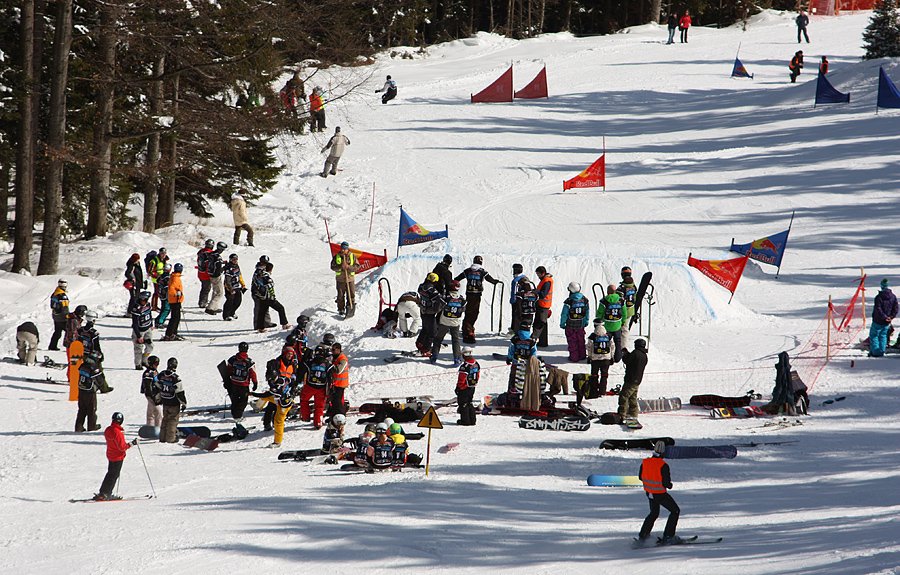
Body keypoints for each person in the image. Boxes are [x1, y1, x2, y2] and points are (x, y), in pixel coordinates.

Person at [636, 440, 681, 545]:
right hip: (660, 494)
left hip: (649, 493)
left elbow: (640, 477)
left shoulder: (645, 462)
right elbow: (666, 483)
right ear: (664, 452)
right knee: (675, 511)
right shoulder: (663, 465)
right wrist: (670, 485)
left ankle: (643, 536)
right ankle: (669, 536)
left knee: (653, 513)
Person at [455, 255, 500, 344]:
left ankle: (467, 328)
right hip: (477, 294)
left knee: (469, 311)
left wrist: (453, 284)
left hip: (469, 293)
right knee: (474, 312)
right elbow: (489, 279)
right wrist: (495, 281)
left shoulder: (468, 270)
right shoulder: (482, 271)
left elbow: (458, 278)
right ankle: (468, 331)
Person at [94, 412, 138, 501]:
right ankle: (106, 493)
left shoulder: (108, 429)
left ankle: (103, 491)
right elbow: (122, 447)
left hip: (110, 454)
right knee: (114, 475)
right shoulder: (118, 432)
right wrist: (132, 444)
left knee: (110, 474)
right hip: (117, 456)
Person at [262, 346, 302, 432]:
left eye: (291, 354)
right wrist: (273, 385)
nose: (290, 356)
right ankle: (266, 423)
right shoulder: (277, 362)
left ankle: (275, 422)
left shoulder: (293, 364)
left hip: (286, 388)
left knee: (280, 406)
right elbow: (271, 375)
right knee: (271, 405)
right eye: (288, 354)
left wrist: (293, 386)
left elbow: (294, 376)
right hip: (277, 387)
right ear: (284, 353)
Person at [431, 280, 466, 365]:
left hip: (445, 321)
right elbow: (464, 309)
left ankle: (434, 356)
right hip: (456, 322)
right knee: (455, 340)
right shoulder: (462, 298)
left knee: (438, 339)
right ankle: (457, 358)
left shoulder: (446, 297)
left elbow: (440, 306)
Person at [300, 345, 334, 429]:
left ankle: (305, 417)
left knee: (304, 400)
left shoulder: (310, 362)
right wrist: (329, 389)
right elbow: (330, 377)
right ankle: (318, 422)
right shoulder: (328, 364)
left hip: (309, 386)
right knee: (319, 406)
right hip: (321, 388)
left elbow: (302, 368)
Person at [252, 261, 290, 332]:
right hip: (268, 297)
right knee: (280, 308)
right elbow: (269, 287)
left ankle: (261, 327)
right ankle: (285, 324)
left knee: (262, 312)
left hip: (262, 297)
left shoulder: (259, 274)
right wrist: (272, 296)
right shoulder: (266, 277)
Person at [225, 342, 258, 421]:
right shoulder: (249, 362)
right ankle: (238, 416)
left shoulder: (232, 359)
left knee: (235, 399)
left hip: (233, 383)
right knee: (243, 401)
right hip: (244, 385)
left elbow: (228, 370)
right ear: (247, 350)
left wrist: (227, 381)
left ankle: (234, 414)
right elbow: (252, 373)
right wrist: (255, 383)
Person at [262, 375, 297, 448]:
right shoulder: (285, 380)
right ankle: (258, 406)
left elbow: (267, 394)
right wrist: (293, 392)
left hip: (282, 406)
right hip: (286, 401)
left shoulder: (277, 389)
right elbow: (293, 382)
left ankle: (277, 442)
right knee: (265, 399)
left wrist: (252, 394)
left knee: (278, 422)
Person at [619, 339, 648, 422]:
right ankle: (633, 413)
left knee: (624, 396)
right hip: (638, 379)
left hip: (631, 379)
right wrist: (627, 353)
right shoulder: (644, 355)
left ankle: (622, 414)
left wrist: (625, 354)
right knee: (632, 397)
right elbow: (633, 361)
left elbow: (627, 361)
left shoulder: (635, 353)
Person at [157, 357, 186, 443]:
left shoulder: (161, 375)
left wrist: (158, 397)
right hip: (174, 403)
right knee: (173, 420)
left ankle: (162, 437)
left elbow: (157, 385)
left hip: (165, 400)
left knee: (165, 419)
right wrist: (184, 403)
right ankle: (170, 438)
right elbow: (180, 392)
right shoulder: (175, 378)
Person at [415, 272, 444, 356]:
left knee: (425, 328)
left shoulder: (421, 286)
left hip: (423, 310)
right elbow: (440, 299)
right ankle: (426, 349)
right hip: (429, 312)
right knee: (433, 332)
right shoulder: (432, 290)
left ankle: (419, 343)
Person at [560, 282, 589, 362]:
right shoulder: (584, 300)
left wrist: (562, 324)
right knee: (581, 340)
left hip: (570, 325)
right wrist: (586, 321)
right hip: (581, 324)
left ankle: (574, 357)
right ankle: (582, 355)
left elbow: (564, 314)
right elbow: (587, 312)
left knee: (572, 341)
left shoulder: (569, 301)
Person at [596, 284, 626, 363]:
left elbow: (600, 313)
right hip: (617, 325)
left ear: (608, 291)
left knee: (606, 342)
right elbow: (624, 312)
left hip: (607, 326)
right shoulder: (621, 300)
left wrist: (599, 321)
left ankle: (607, 358)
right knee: (618, 342)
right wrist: (623, 322)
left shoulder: (604, 301)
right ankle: (618, 357)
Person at [75, 350, 103, 432]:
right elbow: (100, 380)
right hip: (90, 391)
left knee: (82, 409)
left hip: (81, 389)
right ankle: (92, 426)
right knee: (91, 409)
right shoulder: (93, 367)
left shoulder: (83, 365)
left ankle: (78, 427)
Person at [587, 319, 615, 398]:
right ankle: (602, 391)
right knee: (604, 375)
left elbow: (589, 347)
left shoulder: (592, 336)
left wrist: (589, 357)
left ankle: (594, 390)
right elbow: (612, 346)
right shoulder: (608, 335)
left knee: (594, 375)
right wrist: (611, 357)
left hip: (595, 359)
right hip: (606, 359)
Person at [330, 241, 360, 317]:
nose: (343, 250)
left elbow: (357, 267)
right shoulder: (337, 256)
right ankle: (341, 309)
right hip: (340, 280)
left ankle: (350, 308)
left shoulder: (352, 256)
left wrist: (348, 267)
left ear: (347, 249)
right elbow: (332, 267)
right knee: (340, 295)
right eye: (342, 248)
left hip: (350, 279)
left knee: (351, 294)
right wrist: (340, 266)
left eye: (344, 249)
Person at [869, 278, 898, 357]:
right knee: (883, 335)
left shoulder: (879, 297)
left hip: (878, 320)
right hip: (886, 322)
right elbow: (895, 309)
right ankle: (881, 350)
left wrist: (885, 317)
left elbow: (878, 309)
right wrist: (890, 317)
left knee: (874, 335)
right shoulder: (893, 297)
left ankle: (875, 352)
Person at [129, 290, 154, 369]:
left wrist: (151, 324)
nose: (144, 302)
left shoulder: (148, 305)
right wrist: (139, 336)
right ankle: (138, 364)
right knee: (138, 348)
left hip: (147, 329)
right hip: (139, 331)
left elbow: (149, 315)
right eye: (143, 300)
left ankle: (144, 359)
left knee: (150, 346)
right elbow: (135, 324)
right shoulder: (137, 308)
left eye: (146, 300)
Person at [456, 347, 480, 425]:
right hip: (472, 386)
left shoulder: (465, 366)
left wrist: (459, 387)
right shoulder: (476, 364)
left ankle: (465, 421)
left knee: (463, 403)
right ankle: (472, 420)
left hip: (464, 387)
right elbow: (478, 375)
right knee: (469, 402)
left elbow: (461, 379)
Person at [617, 267, 638, 349]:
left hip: (622, 311)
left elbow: (618, 301)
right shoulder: (633, 286)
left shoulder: (621, 288)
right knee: (625, 328)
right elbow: (635, 299)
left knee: (623, 329)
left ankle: (623, 347)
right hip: (630, 310)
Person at [251, 256, 275, 329]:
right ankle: (257, 325)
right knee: (258, 308)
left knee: (265, 307)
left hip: (264, 292)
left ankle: (266, 322)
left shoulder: (264, 269)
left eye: (265, 263)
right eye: (263, 262)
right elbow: (260, 281)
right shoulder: (259, 270)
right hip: (257, 292)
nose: (264, 264)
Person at [163, 263, 185, 341]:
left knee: (176, 318)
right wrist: (176, 294)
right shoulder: (175, 278)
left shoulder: (175, 276)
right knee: (175, 318)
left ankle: (173, 333)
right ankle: (170, 334)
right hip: (175, 300)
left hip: (174, 300)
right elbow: (172, 289)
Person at [205, 241, 227, 315]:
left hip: (211, 274)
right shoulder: (217, 256)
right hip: (216, 276)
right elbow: (218, 268)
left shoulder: (212, 254)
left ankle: (214, 307)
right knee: (219, 293)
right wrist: (224, 268)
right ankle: (210, 308)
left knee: (215, 291)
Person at [329, 343, 350, 418]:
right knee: (334, 401)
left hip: (340, 384)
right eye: (332, 349)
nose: (332, 351)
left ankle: (340, 415)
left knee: (338, 402)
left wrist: (330, 365)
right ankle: (333, 415)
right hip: (335, 383)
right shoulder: (335, 357)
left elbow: (338, 370)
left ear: (338, 350)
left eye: (334, 350)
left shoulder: (343, 359)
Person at [140, 355, 162, 427]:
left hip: (155, 394)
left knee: (151, 412)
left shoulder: (154, 371)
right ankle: (158, 428)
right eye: (156, 364)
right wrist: (153, 397)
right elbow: (147, 386)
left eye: (158, 364)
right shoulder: (148, 373)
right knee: (158, 412)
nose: (157, 366)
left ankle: (150, 427)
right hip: (151, 395)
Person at [222, 253, 245, 321]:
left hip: (236, 286)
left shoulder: (236, 266)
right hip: (229, 287)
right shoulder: (229, 268)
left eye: (236, 259)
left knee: (238, 301)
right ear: (230, 260)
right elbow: (227, 281)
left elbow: (239, 275)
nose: (235, 261)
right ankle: (226, 315)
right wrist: (230, 289)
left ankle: (232, 312)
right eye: (233, 259)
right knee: (230, 301)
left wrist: (243, 284)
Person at [48, 279, 70, 351]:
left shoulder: (55, 293)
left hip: (56, 316)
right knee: (69, 331)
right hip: (63, 317)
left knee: (57, 332)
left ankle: (52, 346)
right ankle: (69, 346)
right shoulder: (62, 295)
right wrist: (68, 316)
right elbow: (65, 307)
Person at [196, 239, 215, 308]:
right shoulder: (210, 253)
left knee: (204, 287)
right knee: (206, 288)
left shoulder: (201, 252)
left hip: (200, 273)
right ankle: (203, 302)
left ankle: (203, 301)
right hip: (207, 274)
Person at [508, 263, 526, 335]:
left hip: (517, 301)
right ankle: (518, 329)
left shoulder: (516, 280)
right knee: (520, 315)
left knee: (515, 315)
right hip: (524, 300)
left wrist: (512, 301)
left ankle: (515, 331)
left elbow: (514, 292)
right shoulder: (524, 277)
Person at [155, 263, 172, 329]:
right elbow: (167, 287)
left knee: (163, 308)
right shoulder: (167, 277)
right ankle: (160, 322)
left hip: (161, 294)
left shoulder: (161, 276)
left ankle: (158, 320)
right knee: (166, 309)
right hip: (165, 295)